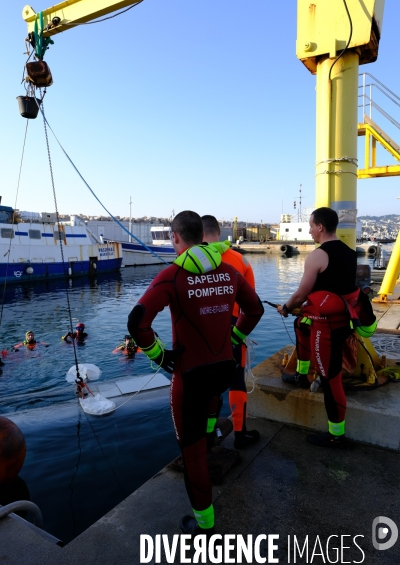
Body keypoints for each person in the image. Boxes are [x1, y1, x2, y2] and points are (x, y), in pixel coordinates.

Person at [127, 210, 264, 535]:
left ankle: (205, 527)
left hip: (190, 377)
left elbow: (137, 322)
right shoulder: (229, 269)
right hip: (222, 369)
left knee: (192, 459)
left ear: (176, 237)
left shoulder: (172, 276)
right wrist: (234, 337)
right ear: (202, 236)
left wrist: (160, 356)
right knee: (209, 414)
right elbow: (255, 309)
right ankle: (207, 438)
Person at [278, 207, 365, 448]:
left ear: (320, 227)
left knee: (330, 379)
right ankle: (302, 375)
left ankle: (336, 435)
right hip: (343, 321)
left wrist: (285, 306)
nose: (309, 230)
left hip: (325, 327)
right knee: (300, 324)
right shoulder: (350, 253)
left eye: (310, 225)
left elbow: (302, 293)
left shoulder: (318, 255)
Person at [202, 214, 260, 449]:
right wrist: (238, 335)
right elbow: (252, 304)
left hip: (203, 332)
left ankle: (206, 435)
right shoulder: (240, 261)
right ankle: (240, 434)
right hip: (234, 328)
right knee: (236, 380)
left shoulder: (188, 261)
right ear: (219, 232)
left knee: (208, 384)